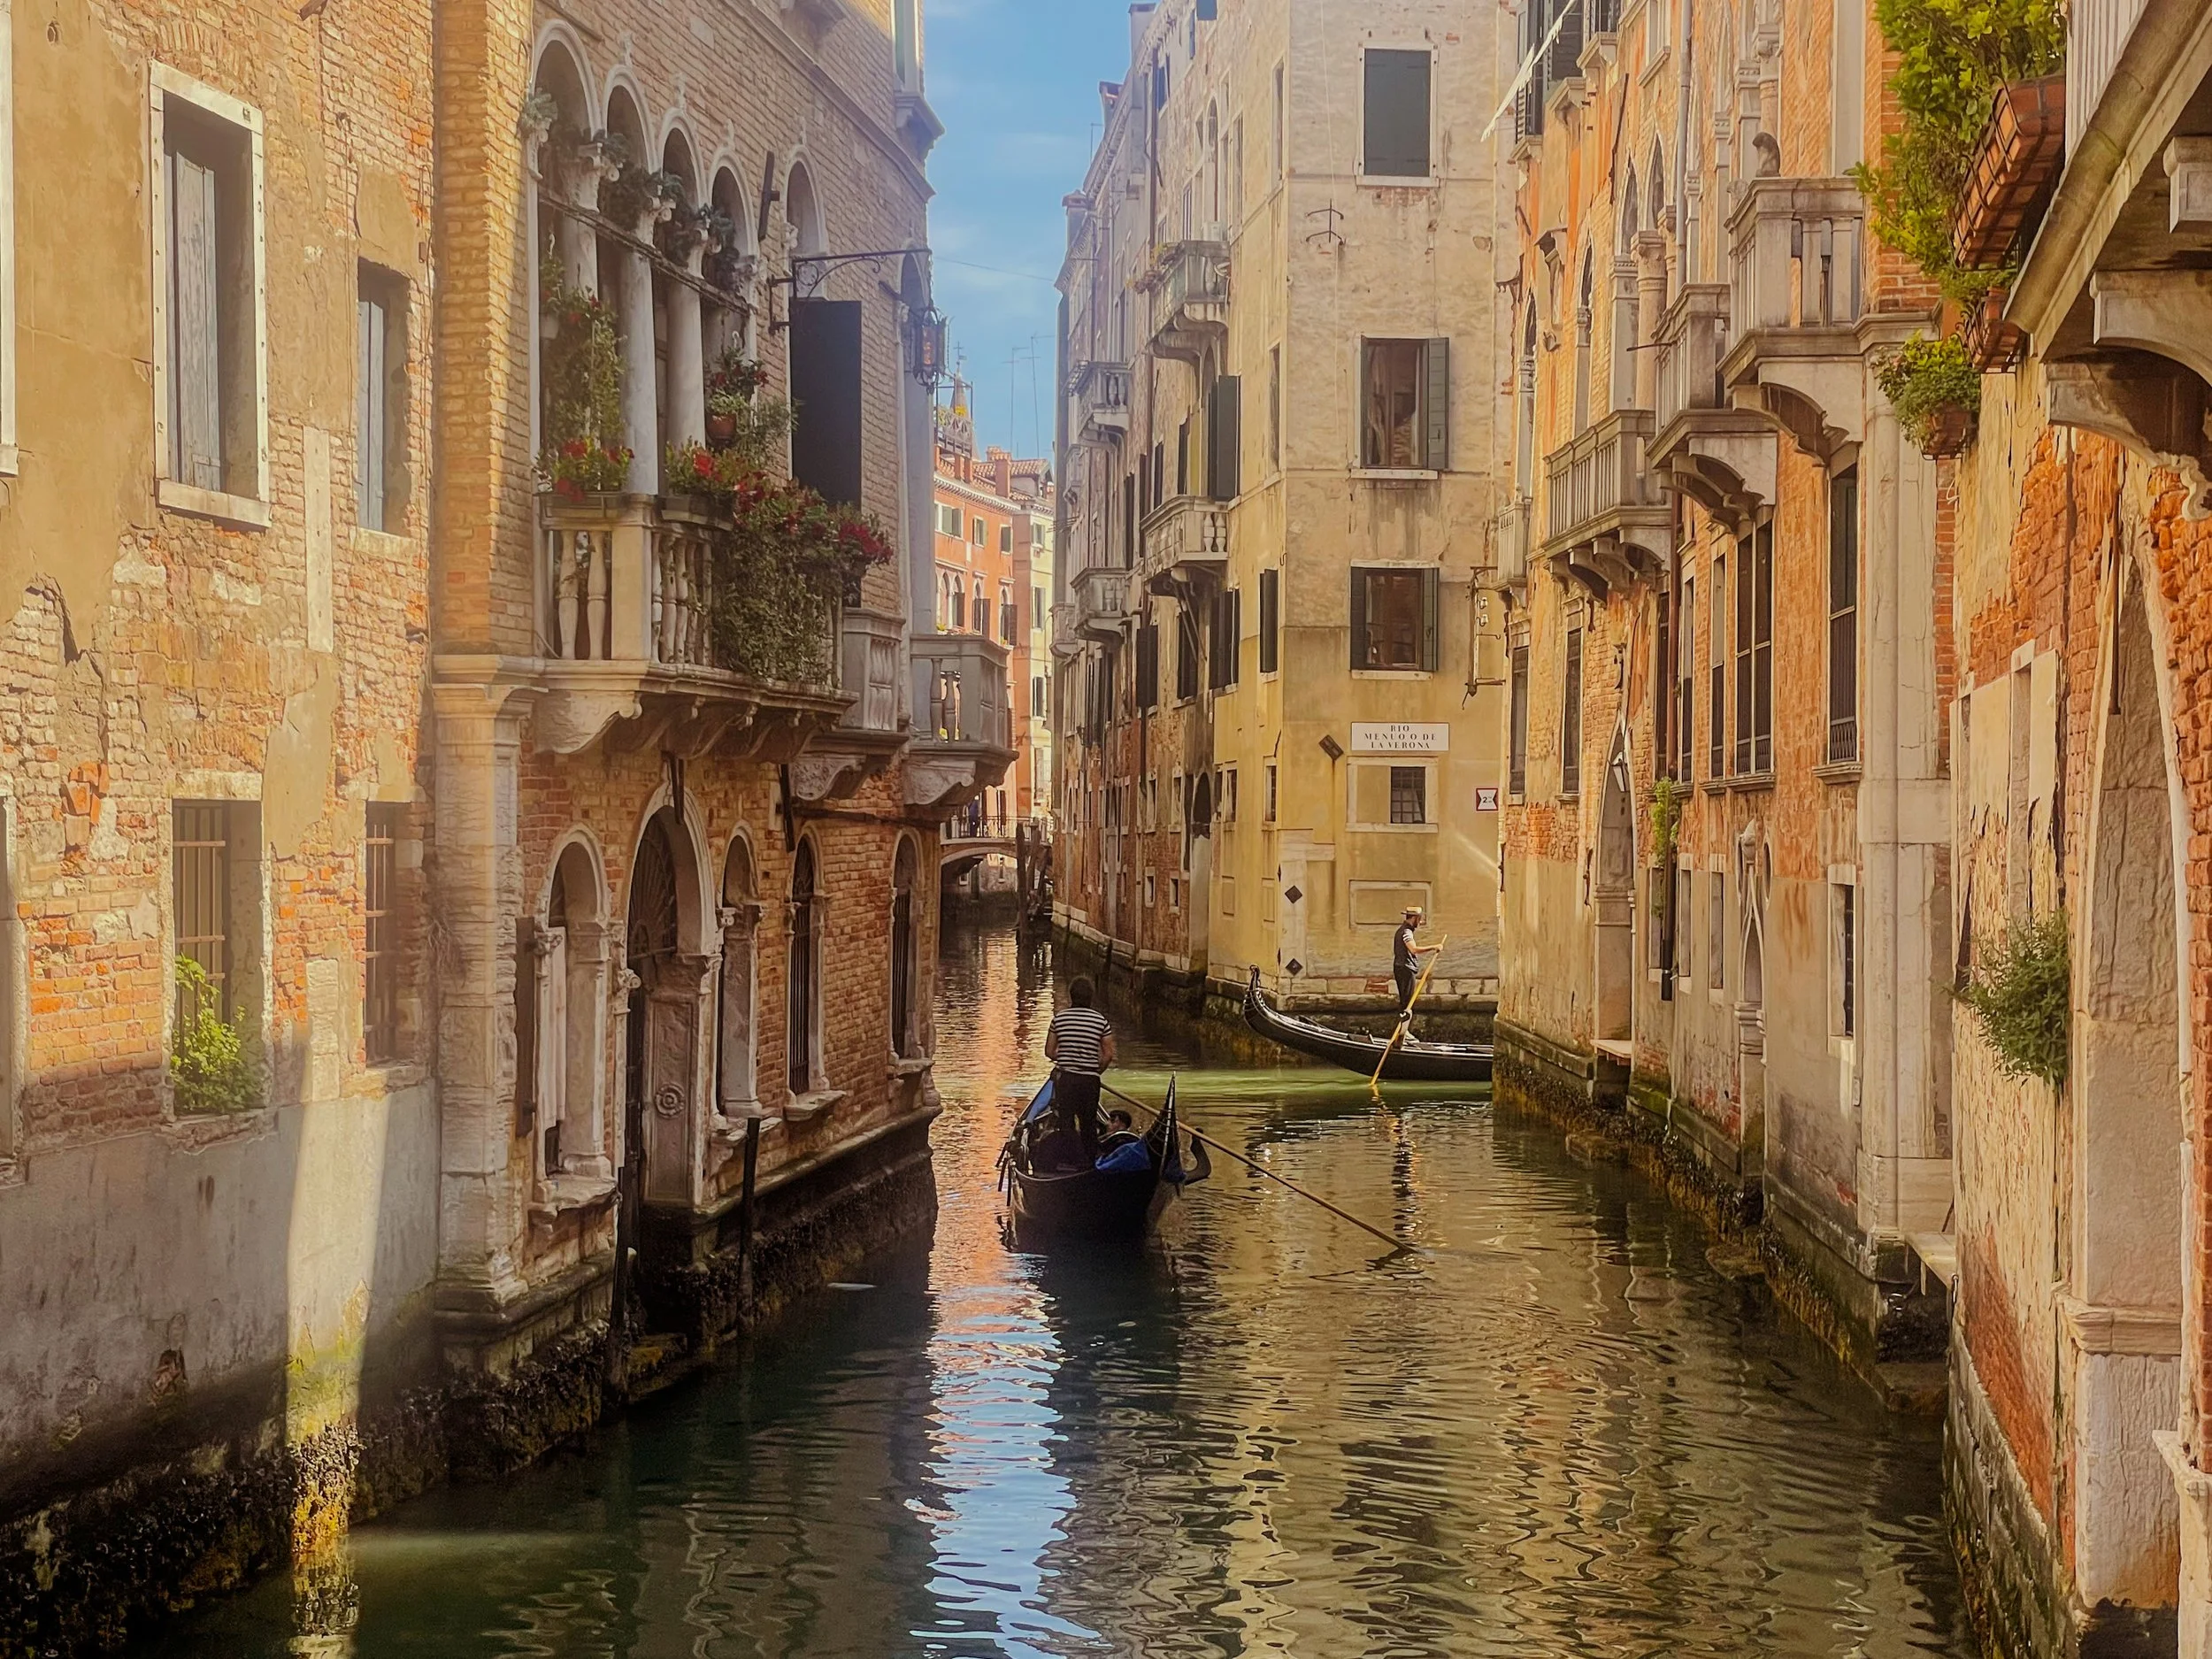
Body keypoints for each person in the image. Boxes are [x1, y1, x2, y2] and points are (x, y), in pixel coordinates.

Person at [1044, 976, 1116, 1165]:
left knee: (1066, 1122)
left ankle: (1073, 1160)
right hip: (1089, 1081)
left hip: (1066, 1079)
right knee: (1088, 1123)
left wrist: (1067, 1056)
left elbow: (1049, 1051)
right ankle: (1089, 1163)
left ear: (1071, 997)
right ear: (1091, 997)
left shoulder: (1059, 1019)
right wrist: (1096, 1070)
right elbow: (1108, 1054)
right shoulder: (1101, 1021)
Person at [1394, 906, 1439, 1020]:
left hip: (1402, 967)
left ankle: (1403, 1030)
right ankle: (1403, 1030)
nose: (1420, 922)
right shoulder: (1406, 932)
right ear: (1414, 918)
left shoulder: (1403, 930)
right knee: (1407, 1002)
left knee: (1406, 1001)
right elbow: (1413, 949)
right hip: (1405, 969)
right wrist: (1434, 947)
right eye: (1419, 919)